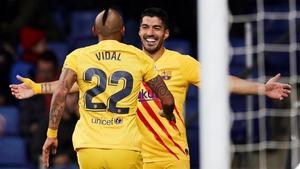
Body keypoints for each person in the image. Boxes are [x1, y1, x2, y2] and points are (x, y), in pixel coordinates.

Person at [10, 8, 291, 169]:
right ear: (137, 31)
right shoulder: (130, 60)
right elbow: (72, 86)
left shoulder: (182, 63)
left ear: (166, 33)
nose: (150, 32)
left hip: (171, 157)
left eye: (157, 28)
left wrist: (260, 89)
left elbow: (220, 80)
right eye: (145, 27)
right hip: (134, 157)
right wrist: (37, 88)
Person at [38, 8, 174, 169]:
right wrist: (167, 112)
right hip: (126, 148)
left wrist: (52, 134)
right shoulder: (140, 58)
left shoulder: (77, 57)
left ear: (94, 31)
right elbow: (168, 99)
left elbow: (60, 92)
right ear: (123, 30)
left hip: (89, 148)